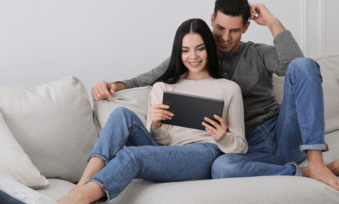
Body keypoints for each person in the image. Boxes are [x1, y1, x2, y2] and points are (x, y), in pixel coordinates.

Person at [92, 0, 339, 190]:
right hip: (245, 147)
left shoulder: (257, 52)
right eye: (220, 28)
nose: (225, 37)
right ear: (211, 20)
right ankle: (304, 173)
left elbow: (294, 66)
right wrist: (116, 84)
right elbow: (154, 75)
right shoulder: (197, 54)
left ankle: (316, 163)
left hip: (282, 132)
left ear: (245, 26)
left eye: (234, 31)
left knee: (304, 64)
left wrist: (273, 22)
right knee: (221, 168)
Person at [57, 18, 247, 204]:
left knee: (132, 155)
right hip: (165, 154)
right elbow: (160, 143)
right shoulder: (162, 87)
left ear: (209, 48)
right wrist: (155, 125)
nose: (193, 57)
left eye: (200, 48)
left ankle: (78, 199)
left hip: (203, 154)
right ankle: (81, 186)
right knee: (121, 115)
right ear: (178, 53)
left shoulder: (228, 88)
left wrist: (223, 137)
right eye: (185, 50)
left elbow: (241, 146)